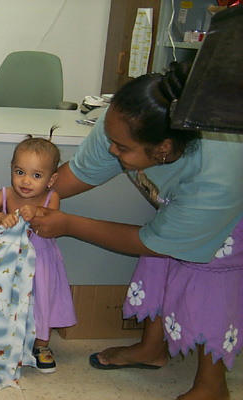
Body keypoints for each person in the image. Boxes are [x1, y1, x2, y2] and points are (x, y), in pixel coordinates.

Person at [30, 62, 243, 399]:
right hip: (185, 204)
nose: (113, 150)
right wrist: (26, 197)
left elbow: (151, 243)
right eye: (111, 140)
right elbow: (83, 171)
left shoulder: (217, 176)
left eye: (123, 149)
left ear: (163, 149)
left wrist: (68, 224)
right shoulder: (126, 120)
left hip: (232, 218)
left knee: (208, 281)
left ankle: (212, 385)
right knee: (160, 267)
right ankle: (151, 349)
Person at [0, 133, 77, 373]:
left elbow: (49, 222)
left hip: (41, 264)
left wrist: (35, 212)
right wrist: (1, 217)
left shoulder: (51, 197)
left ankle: (41, 345)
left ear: (51, 179)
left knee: (40, 303)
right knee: (8, 301)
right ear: (12, 170)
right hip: (10, 262)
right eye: (20, 172)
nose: (26, 181)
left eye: (36, 175)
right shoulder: (5, 194)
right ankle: (7, 341)